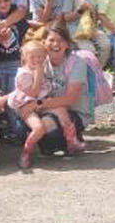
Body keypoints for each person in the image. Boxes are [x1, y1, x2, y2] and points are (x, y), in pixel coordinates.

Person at [10, 40, 80, 169]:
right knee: (39, 128)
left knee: (62, 110)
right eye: (32, 57)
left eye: (40, 57)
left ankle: (71, 141)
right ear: (25, 57)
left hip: (39, 102)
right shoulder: (23, 74)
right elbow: (34, 93)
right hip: (26, 106)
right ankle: (25, 154)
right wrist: (38, 74)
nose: (37, 60)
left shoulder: (41, 68)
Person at [63, 0, 113, 69]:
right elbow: (66, 18)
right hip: (75, 28)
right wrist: (80, 11)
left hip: (92, 26)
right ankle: (91, 72)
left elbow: (99, 14)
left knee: (106, 45)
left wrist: (92, 10)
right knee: (90, 51)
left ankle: (98, 69)